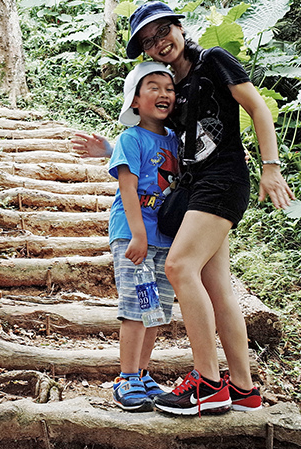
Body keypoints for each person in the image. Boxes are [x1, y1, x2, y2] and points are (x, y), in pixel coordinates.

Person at [73, 1, 294, 416]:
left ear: (179, 27)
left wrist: (270, 167)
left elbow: (258, 107)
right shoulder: (173, 87)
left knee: (177, 267)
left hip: (222, 182)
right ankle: (243, 388)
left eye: (163, 32)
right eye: (148, 42)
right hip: (196, 190)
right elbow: (156, 144)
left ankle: (208, 383)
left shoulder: (213, 61)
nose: (159, 43)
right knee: (218, 287)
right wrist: (110, 149)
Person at [100, 61, 179, 411]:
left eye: (169, 88)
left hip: (164, 236)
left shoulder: (175, 140)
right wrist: (137, 235)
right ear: (134, 100)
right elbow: (128, 188)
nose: (164, 94)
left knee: (156, 310)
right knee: (134, 308)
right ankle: (126, 377)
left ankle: (143, 373)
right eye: (153, 87)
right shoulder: (131, 138)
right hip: (134, 235)